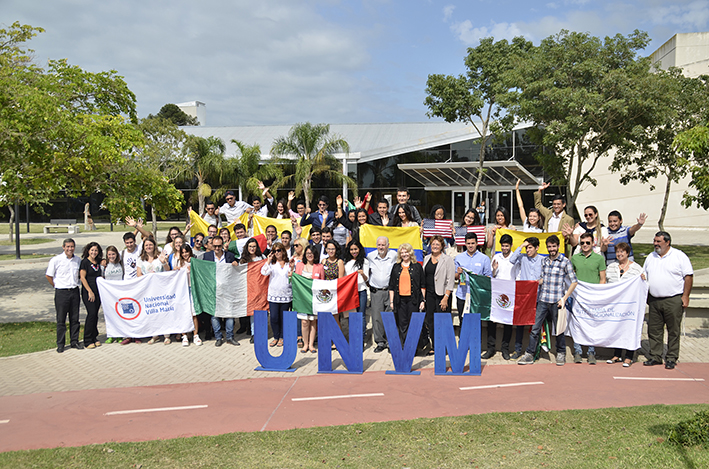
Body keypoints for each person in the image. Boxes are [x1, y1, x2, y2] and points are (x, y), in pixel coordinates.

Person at [518, 235, 578, 366]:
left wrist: (564, 298)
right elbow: (542, 279)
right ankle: (529, 354)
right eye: (549, 247)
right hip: (543, 300)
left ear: (558, 246)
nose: (551, 249)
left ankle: (561, 353)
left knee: (559, 329)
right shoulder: (544, 261)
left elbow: (574, 282)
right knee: (534, 328)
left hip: (557, 301)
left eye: (554, 246)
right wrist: (532, 284)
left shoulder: (565, 261)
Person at [643, 231, 693, 370]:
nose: (655, 244)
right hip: (654, 300)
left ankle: (671, 358)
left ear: (667, 242)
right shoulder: (651, 257)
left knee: (673, 331)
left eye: (658, 241)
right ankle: (655, 356)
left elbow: (688, 276)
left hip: (673, 299)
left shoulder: (679, 256)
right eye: (654, 241)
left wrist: (685, 296)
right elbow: (644, 274)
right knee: (654, 330)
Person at [569, 232, 607, 364]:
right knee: (577, 324)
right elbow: (571, 277)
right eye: (582, 243)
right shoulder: (575, 258)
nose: (585, 245)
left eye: (587, 243)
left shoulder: (599, 258)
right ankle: (578, 351)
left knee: (592, 324)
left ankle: (591, 352)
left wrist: (598, 294)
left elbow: (603, 279)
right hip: (578, 297)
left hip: (593, 297)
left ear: (592, 244)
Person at [605, 242, 644, 367]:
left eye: (622, 251)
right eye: (617, 252)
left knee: (629, 329)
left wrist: (643, 279)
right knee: (616, 329)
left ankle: (629, 356)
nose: (619, 254)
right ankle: (616, 354)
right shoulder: (611, 267)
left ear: (627, 253)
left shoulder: (636, 268)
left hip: (630, 306)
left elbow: (643, 284)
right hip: (615, 306)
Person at [508, 237, 544, 359]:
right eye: (527, 247)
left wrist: (541, 281)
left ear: (537, 248)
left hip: (538, 297)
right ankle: (517, 350)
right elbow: (512, 260)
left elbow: (546, 275)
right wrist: (521, 246)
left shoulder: (543, 260)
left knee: (535, 326)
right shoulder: (522, 258)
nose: (528, 250)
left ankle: (534, 351)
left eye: (530, 247)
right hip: (524, 297)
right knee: (520, 324)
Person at [486, 234, 520, 360]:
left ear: (511, 246)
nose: (504, 248)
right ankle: (491, 348)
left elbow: (518, 276)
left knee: (508, 322)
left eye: (507, 246)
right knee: (492, 320)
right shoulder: (496, 256)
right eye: (503, 246)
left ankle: (505, 349)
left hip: (510, 292)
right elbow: (492, 275)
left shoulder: (515, 258)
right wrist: (494, 270)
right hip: (497, 292)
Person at [46, 238, 83, 353]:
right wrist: (56, 286)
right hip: (61, 292)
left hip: (74, 291)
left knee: (75, 318)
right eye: (67, 247)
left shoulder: (78, 260)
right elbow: (49, 276)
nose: (70, 249)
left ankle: (74, 341)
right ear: (63, 247)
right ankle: (61, 344)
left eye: (72, 247)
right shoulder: (56, 260)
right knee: (61, 319)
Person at [203, 235, 239, 346]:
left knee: (229, 314)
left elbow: (238, 269)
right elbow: (203, 271)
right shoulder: (207, 256)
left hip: (228, 290)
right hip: (214, 290)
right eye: (215, 246)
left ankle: (230, 337)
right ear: (211, 246)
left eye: (219, 246)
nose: (217, 248)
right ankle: (218, 337)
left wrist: (236, 264)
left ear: (223, 245)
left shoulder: (230, 256)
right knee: (215, 315)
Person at [421, 235, 455, 354]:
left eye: (437, 245)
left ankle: (444, 347)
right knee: (430, 321)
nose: (435, 246)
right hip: (429, 295)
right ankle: (435, 346)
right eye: (433, 244)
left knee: (442, 321)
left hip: (442, 295)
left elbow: (450, 280)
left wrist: (446, 297)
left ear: (442, 246)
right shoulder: (426, 258)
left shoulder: (448, 260)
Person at [137, 237, 172, 345]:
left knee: (162, 310)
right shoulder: (140, 259)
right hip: (148, 289)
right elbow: (139, 275)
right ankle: (155, 335)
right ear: (143, 247)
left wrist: (163, 262)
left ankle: (166, 335)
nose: (148, 247)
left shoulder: (159, 257)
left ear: (154, 246)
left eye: (150, 245)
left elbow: (168, 270)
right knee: (152, 312)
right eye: (146, 245)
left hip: (160, 288)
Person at [389, 243, 425, 345]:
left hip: (413, 300)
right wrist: (391, 301)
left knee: (412, 323)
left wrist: (423, 300)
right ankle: (404, 346)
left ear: (410, 253)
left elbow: (422, 285)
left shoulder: (417, 266)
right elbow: (391, 286)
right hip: (400, 300)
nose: (404, 254)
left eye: (406, 252)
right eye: (402, 252)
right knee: (402, 323)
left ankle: (413, 346)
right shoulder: (396, 267)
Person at [454, 232, 492, 328]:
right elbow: (454, 277)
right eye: (468, 243)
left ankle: (475, 343)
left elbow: (488, 278)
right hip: (462, 295)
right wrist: (458, 273)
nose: (470, 246)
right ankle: (464, 343)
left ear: (477, 243)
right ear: (465, 244)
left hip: (477, 297)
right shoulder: (458, 258)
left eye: (472, 243)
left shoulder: (484, 259)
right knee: (462, 322)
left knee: (476, 323)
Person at [367, 236, 397, 353]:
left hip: (390, 291)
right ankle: (380, 342)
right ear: (376, 245)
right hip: (376, 292)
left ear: (388, 245)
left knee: (390, 317)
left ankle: (391, 343)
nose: (381, 247)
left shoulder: (393, 255)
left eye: (383, 245)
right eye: (379, 245)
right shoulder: (370, 256)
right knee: (377, 318)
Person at [293, 245, 325, 352]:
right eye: (307, 253)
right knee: (304, 322)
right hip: (302, 299)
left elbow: (322, 282)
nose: (309, 255)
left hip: (314, 299)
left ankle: (311, 345)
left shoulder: (319, 267)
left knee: (312, 322)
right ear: (305, 255)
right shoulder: (299, 266)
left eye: (311, 253)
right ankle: (305, 344)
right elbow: (296, 281)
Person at [261, 242, 293, 348]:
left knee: (283, 317)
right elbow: (264, 272)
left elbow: (294, 278)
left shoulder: (289, 264)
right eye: (274, 251)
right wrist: (268, 260)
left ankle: (282, 337)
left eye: (279, 250)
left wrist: (292, 271)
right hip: (274, 295)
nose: (277, 253)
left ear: (283, 251)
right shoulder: (272, 265)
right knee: (274, 317)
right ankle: (276, 336)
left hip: (286, 295)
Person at [534, 182, 574, 255]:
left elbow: (570, 239)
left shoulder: (569, 219)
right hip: (546, 248)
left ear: (564, 204)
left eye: (558, 204)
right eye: (554, 204)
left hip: (560, 249)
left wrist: (566, 237)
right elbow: (538, 205)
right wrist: (540, 191)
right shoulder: (549, 214)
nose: (556, 206)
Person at [239, 237, 266, 343]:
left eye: (254, 246)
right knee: (252, 312)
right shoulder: (243, 260)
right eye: (250, 246)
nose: (252, 248)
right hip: (250, 289)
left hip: (261, 288)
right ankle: (254, 333)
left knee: (262, 311)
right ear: (247, 247)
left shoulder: (261, 257)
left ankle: (262, 332)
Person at [344, 240, 370, 347]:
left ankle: (361, 339)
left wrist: (363, 273)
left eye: (355, 249)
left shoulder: (364, 261)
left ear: (359, 249)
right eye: (351, 249)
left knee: (361, 315)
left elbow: (366, 279)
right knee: (352, 316)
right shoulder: (346, 262)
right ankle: (354, 338)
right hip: (350, 293)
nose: (353, 251)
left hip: (361, 291)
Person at [175, 244, 202, 346]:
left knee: (193, 313)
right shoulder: (179, 262)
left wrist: (192, 269)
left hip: (192, 289)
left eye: (186, 252)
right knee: (183, 313)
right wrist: (176, 270)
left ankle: (195, 335)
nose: (185, 254)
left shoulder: (194, 261)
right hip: (182, 291)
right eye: (183, 252)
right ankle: (184, 335)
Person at [79, 242, 103, 349]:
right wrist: (89, 291)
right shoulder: (85, 262)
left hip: (98, 292)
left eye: (96, 250)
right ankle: (87, 339)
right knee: (91, 314)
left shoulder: (98, 262)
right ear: (88, 250)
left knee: (95, 314)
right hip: (89, 292)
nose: (94, 252)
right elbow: (82, 278)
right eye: (92, 250)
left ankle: (94, 336)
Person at [322, 239, 345, 328]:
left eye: (333, 249)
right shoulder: (324, 261)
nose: (331, 251)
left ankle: (337, 339)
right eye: (329, 249)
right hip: (324, 292)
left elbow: (340, 279)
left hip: (335, 292)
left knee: (335, 316)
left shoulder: (339, 262)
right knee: (325, 316)